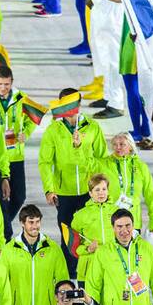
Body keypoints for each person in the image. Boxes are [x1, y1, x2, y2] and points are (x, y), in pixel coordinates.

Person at [38, 92, 108, 276]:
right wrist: (49, 189)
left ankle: (91, 271)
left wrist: (101, 187)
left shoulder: (93, 127)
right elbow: (45, 162)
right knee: (68, 235)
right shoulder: (53, 130)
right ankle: (69, 275)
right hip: (64, 192)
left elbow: (102, 159)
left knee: (90, 232)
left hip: (89, 192)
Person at [0, 66, 36, 237]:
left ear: (12, 82)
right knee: (1, 197)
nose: (3, 88)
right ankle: (5, 232)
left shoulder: (21, 98)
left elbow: (33, 118)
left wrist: (25, 134)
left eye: (6, 84)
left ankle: (0, 223)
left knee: (19, 196)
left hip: (15, 154)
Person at [96, 133, 153, 236]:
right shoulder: (103, 164)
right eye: (115, 144)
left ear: (130, 146)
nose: (118, 147)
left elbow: (150, 195)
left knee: (132, 251)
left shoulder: (141, 167)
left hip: (133, 223)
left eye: (122, 144)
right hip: (110, 222)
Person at [70, 174, 115, 283]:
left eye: (104, 189)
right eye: (97, 190)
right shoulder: (80, 215)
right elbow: (72, 245)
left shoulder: (117, 212)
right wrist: (87, 249)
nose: (101, 193)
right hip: (88, 268)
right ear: (90, 193)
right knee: (89, 300)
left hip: (111, 265)